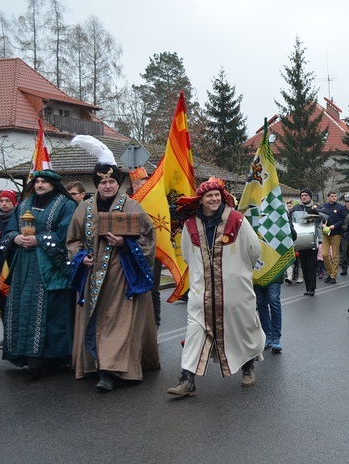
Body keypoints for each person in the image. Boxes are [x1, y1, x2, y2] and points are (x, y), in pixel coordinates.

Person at [67, 149, 160, 392]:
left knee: (118, 322)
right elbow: (73, 240)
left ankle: (110, 371)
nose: (107, 186)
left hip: (122, 274)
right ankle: (96, 363)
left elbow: (149, 239)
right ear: (96, 184)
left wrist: (125, 244)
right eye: (103, 182)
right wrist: (80, 257)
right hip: (92, 277)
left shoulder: (132, 206)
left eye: (111, 181)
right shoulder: (84, 208)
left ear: (118, 183)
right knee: (96, 319)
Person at [166, 177, 265, 396]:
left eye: (217, 195)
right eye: (209, 196)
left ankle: (248, 368)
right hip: (202, 293)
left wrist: (238, 271)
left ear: (222, 197)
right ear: (200, 200)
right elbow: (187, 254)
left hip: (235, 291)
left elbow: (254, 249)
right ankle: (187, 380)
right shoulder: (190, 224)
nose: (213, 199)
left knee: (243, 329)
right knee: (194, 332)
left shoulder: (237, 220)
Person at [0, 172, 77, 377]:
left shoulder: (66, 205)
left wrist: (40, 240)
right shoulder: (25, 203)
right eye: (37, 182)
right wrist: (16, 238)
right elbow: (9, 230)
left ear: (53, 184)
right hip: (23, 264)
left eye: (44, 182)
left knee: (49, 309)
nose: (40, 185)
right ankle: (24, 354)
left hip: (50, 266)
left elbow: (67, 234)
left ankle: (50, 358)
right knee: (21, 305)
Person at [129, 166, 162, 328]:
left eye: (143, 182)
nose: (139, 186)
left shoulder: (156, 198)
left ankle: (154, 323)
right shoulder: (128, 201)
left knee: (153, 287)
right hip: (133, 249)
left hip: (155, 249)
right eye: (137, 183)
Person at [288, 188, 328, 296]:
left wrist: (317, 212)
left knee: (311, 265)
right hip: (300, 240)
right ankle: (307, 288)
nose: (303, 197)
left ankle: (312, 289)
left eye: (305, 195)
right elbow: (289, 219)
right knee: (304, 265)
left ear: (310, 196)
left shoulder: (317, 206)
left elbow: (326, 216)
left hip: (314, 239)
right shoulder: (296, 208)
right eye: (302, 196)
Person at [0, 189, 18, 349]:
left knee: (9, 303)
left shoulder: (17, 218)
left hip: (10, 266)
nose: (4, 204)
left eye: (7, 201)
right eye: (1, 201)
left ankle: (11, 337)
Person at [321, 190, 347, 284]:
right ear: (328, 197)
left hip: (336, 233)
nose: (334, 198)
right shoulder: (324, 207)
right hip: (325, 233)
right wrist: (323, 225)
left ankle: (333, 275)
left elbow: (343, 220)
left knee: (335, 255)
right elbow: (320, 218)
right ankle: (330, 272)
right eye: (332, 196)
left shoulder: (340, 207)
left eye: (335, 196)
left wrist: (334, 226)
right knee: (324, 254)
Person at [338, 193, 349, 276]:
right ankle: (344, 268)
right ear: (346, 203)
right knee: (344, 252)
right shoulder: (342, 210)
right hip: (344, 234)